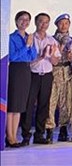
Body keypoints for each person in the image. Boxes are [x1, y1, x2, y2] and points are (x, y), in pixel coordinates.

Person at [19, 13, 60, 146]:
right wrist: (41, 56)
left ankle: (39, 134)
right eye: (41, 21)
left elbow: (55, 62)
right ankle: (25, 135)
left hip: (47, 75)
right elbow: (27, 60)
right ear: (36, 23)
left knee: (44, 105)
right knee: (28, 105)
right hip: (32, 75)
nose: (44, 24)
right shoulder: (30, 38)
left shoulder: (52, 40)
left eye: (46, 22)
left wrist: (52, 55)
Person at [7, 11, 37, 148]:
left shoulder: (29, 37)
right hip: (15, 70)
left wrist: (29, 45)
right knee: (12, 105)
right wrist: (26, 46)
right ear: (16, 20)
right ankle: (10, 136)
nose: (24, 22)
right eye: (21, 19)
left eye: (27, 20)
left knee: (19, 106)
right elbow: (12, 56)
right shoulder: (11, 37)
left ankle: (14, 136)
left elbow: (32, 57)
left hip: (26, 70)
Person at [45, 13, 72, 143]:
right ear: (57, 25)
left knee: (66, 103)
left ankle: (63, 130)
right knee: (51, 102)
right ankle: (49, 130)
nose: (64, 26)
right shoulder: (51, 40)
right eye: (61, 23)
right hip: (53, 73)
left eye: (66, 23)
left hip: (67, 72)